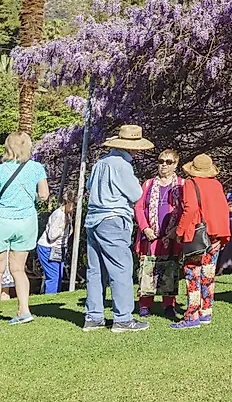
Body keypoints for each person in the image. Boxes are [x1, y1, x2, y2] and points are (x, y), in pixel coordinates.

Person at [83, 124, 150, 333]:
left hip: (93, 219)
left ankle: (93, 316)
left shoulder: (100, 163)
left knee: (96, 270)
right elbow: (136, 193)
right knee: (120, 268)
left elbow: (88, 187)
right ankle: (123, 318)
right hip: (113, 219)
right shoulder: (122, 165)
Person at [0, 132, 49, 327]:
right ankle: (24, 310)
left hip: (2, 221)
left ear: (8, 147)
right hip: (26, 221)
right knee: (19, 269)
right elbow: (44, 195)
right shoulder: (36, 168)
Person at [173, 153, 231, 329]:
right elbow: (223, 210)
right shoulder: (217, 185)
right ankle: (206, 311)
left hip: (197, 236)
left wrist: (179, 231)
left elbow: (189, 209)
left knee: (192, 274)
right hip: (215, 237)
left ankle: (192, 315)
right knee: (208, 274)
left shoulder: (191, 184)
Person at [134, 147, 182, 319]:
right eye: (161, 161)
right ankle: (145, 304)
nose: (164, 165)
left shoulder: (181, 185)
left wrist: (175, 230)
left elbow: (185, 209)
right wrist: (145, 227)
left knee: (169, 268)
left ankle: (168, 304)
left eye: (168, 162)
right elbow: (139, 207)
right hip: (151, 235)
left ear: (176, 164)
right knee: (148, 268)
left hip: (171, 235)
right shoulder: (148, 184)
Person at [35, 188, 75, 295]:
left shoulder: (68, 215)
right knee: (53, 276)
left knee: (59, 275)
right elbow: (52, 235)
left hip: (59, 248)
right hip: (48, 248)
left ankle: (56, 295)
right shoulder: (59, 215)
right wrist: (63, 227)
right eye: (73, 205)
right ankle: (50, 298)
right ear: (68, 203)